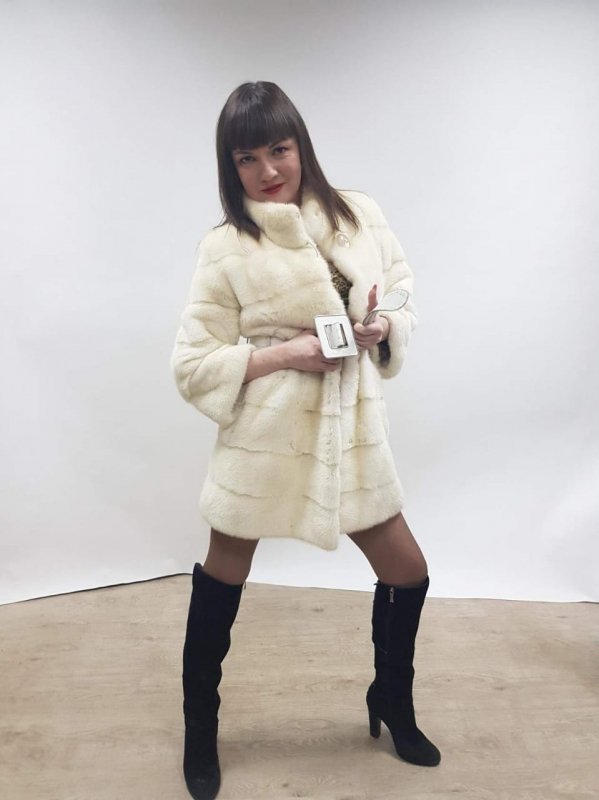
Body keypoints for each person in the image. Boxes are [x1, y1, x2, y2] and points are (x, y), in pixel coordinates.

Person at [171, 81, 441, 800]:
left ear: (301, 146)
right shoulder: (225, 247)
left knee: (407, 571)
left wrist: (383, 326)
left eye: (279, 149)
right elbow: (192, 364)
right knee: (223, 576)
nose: (267, 170)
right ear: (230, 166)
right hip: (264, 439)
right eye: (246, 158)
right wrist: (285, 354)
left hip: (350, 438)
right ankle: (200, 726)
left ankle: (392, 700)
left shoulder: (359, 216)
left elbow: (403, 289)